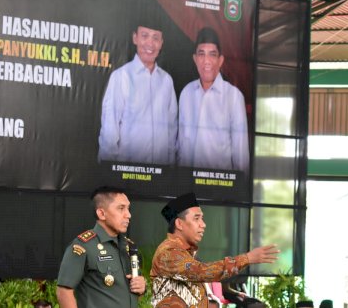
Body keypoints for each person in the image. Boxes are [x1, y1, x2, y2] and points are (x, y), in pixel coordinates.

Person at [150, 193, 279, 307]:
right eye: (197, 218)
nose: (203, 224)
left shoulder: (186, 254)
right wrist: (247, 258)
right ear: (179, 224)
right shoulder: (168, 252)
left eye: (202, 218)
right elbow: (201, 271)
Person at [97, 20, 178, 165]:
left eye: (155, 38)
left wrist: (171, 168)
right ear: (135, 38)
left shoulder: (166, 81)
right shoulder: (121, 76)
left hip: (160, 175)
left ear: (161, 42)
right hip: (128, 174)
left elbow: (172, 129)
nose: (150, 44)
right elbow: (109, 131)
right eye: (144, 35)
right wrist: (109, 172)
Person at [56, 186, 146, 308]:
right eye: (121, 208)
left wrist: (141, 288)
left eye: (128, 209)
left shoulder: (129, 246)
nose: (128, 215)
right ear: (102, 213)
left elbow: (128, 294)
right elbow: (64, 292)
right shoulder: (83, 246)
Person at [178, 27, 249, 171]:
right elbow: (180, 146)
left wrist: (239, 189)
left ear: (220, 60)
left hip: (219, 187)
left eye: (212, 54)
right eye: (201, 54)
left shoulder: (233, 97)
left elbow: (240, 154)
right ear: (195, 59)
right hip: (188, 184)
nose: (206, 61)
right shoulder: (186, 93)